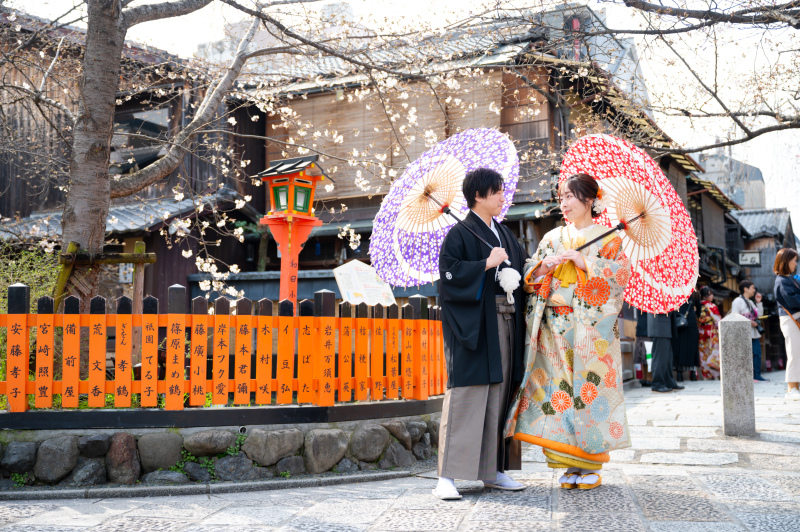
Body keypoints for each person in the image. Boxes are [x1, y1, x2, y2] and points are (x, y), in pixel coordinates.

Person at [504, 173, 631, 491]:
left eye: (570, 196)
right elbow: (529, 273)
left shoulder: (608, 238)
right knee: (556, 392)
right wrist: (545, 267)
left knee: (587, 392)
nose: (564, 202)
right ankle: (566, 461)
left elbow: (621, 276)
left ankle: (588, 463)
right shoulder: (551, 238)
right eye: (561, 197)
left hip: (590, 331)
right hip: (553, 329)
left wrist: (586, 262)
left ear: (590, 200)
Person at [435, 167, 527, 500]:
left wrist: (538, 269)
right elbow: (449, 275)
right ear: (478, 195)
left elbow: (522, 267)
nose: (504, 196)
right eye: (497, 191)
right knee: (467, 397)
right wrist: (485, 265)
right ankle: (447, 475)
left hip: (505, 323)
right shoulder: (460, 234)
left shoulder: (504, 233)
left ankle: (493, 471)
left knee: (499, 395)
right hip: (475, 326)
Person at [773, 248, 800, 400]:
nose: (795, 263)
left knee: (796, 353)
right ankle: (791, 388)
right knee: (794, 353)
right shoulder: (782, 281)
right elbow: (794, 301)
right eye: (793, 260)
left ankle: (795, 387)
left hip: (793, 320)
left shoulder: (788, 279)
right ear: (785, 261)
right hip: (790, 320)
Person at [732, 280, 768, 382]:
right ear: (745, 289)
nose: (754, 290)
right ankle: (744, 376)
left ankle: (757, 375)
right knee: (744, 355)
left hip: (754, 333)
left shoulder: (751, 302)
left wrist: (759, 302)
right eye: (752, 288)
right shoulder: (737, 301)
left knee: (757, 353)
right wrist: (749, 322)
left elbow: (759, 316)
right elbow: (734, 317)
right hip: (743, 333)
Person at [649, 312, 684, 393]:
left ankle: (668, 381)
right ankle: (657, 383)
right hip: (659, 325)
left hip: (666, 324)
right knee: (660, 357)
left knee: (667, 357)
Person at [672, 292, 700, 382]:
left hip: (679, 321)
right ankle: (693, 374)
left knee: (680, 347)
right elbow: (699, 310)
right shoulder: (694, 293)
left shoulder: (676, 291)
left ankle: (679, 374)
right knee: (692, 348)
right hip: (691, 322)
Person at [697, 286, 722, 380]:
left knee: (703, 353)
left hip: (701, 332)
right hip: (711, 332)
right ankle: (715, 374)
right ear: (704, 297)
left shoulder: (697, 306)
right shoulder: (711, 306)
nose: (712, 296)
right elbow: (717, 320)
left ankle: (706, 375)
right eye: (710, 294)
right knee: (714, 352)